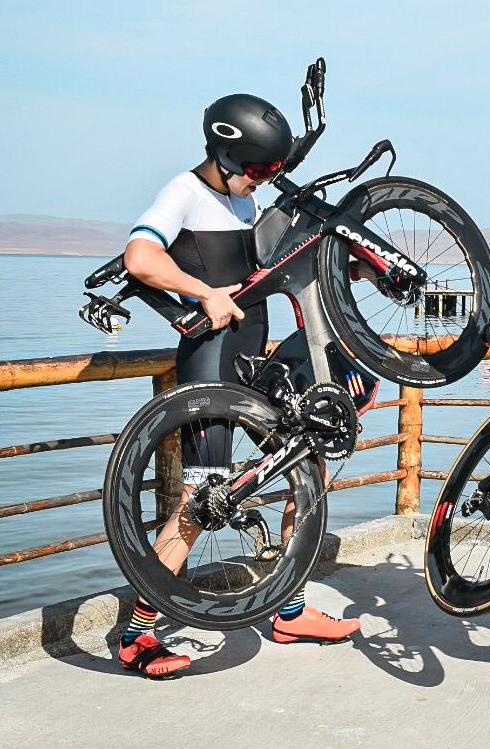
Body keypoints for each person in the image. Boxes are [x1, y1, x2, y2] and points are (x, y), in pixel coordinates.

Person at [116, 93, 360, 678]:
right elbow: (139, 258)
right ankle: (137, 635)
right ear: (224, 154)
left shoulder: (240, 197)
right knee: (203, 499)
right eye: (254, 170)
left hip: (251, 359)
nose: (261, 181)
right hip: (210, 363)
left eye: (267, 172)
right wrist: (203, 293)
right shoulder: (183, 192)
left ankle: (290, 610)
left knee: (307, 463)